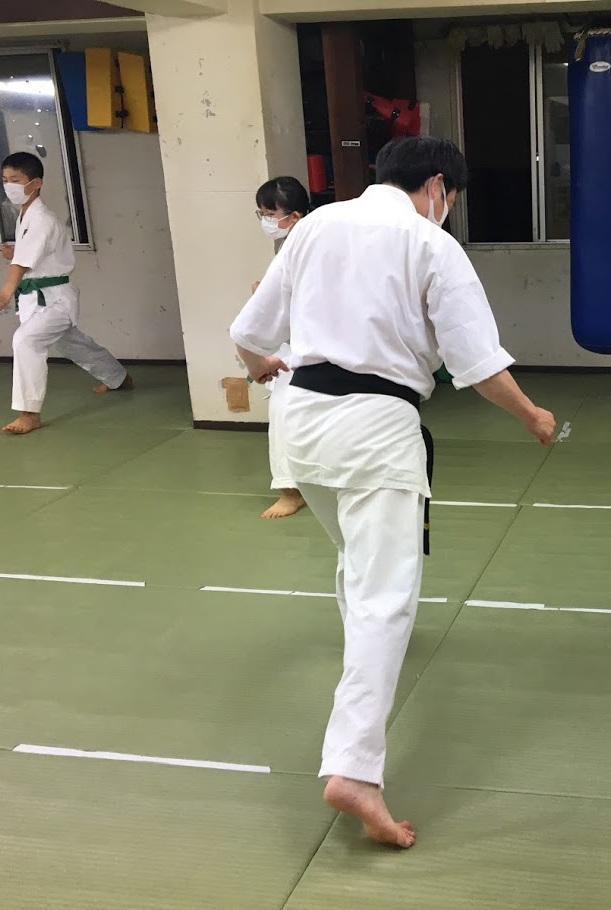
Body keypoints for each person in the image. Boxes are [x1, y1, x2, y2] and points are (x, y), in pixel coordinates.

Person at [229, 136, 555, 849]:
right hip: (375, 428)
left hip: (301, 427)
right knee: (385, 596)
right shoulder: (431, 243)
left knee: (357, 559)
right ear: (438, 186)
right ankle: (354, 770)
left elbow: (248, 330)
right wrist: (532, 415)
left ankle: (363, 666)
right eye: (451, 197)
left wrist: (258, 367)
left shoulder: (315, 225)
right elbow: (477, 364)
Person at [0, 152, 131, 434]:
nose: (9, 186)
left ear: (36, 183)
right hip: (38, 299)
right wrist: (15, 253)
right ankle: (119, 378)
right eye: (5, 180)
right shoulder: (26, 215)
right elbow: (35, 257)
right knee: (72, 344)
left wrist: (4, 294)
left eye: (16, 180)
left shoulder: (42, 219)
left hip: (55, 300)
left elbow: (21, 266)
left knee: (26, 341)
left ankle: (29, 414)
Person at [253, 176, 310, 519]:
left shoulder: (307, 245)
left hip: (315, 344)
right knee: (285, 411)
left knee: (286, 411)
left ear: (295, 216)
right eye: (261, 213)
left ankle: (294, 490)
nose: (265, 221)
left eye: (269, 213)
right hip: (295, 343)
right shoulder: (288, 246)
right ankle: (293, 489)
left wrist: (265, 297)